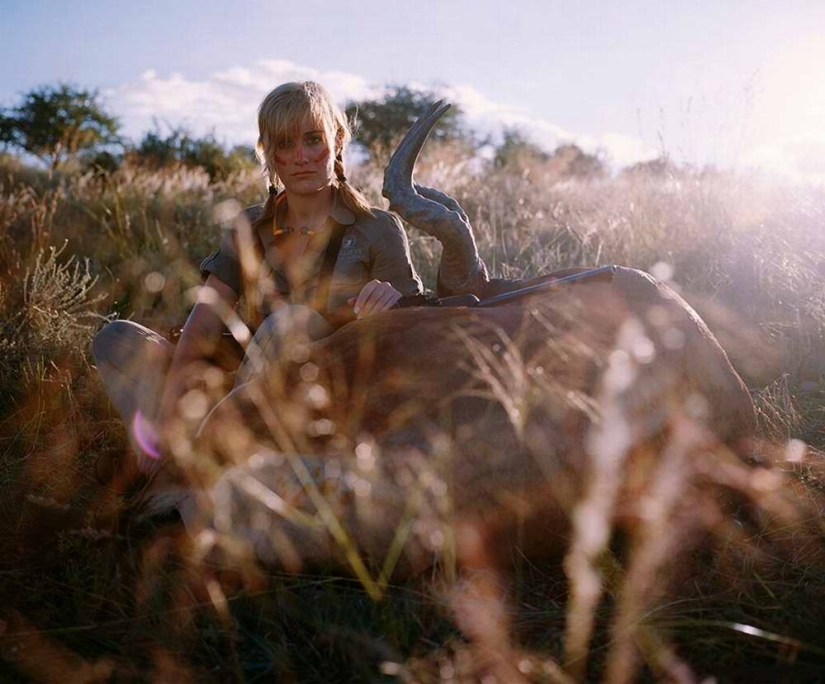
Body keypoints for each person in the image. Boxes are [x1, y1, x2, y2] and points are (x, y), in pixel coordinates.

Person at [92, 81, 423, 475]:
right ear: (269, 154)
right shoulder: (250, 225)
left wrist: (388, 302)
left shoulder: (378, 228)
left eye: (312, 139)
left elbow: (412, 331)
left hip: (323, 395)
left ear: (336, 140)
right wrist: (167, 410)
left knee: (290, 323)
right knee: (116, 339)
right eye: (284, 144)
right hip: (239, 375)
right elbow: (204, 321)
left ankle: (212, 460)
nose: (300, 157)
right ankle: (162, 465)